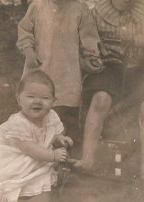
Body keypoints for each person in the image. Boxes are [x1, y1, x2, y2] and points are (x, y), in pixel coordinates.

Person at [74, 0, 144, 191]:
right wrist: (92, 57)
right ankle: (88, 159)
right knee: (101, 98)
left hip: (139, 70)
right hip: (108, 67)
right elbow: (84, 47)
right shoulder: (96, 15)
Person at [0, 70, 73, 202]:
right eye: (30, 97)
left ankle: (33, 198)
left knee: (41, 168)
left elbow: (52, 134)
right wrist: (52, 155)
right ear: (19, 100)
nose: (37, 102)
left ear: (53, 101)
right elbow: (29, 148)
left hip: (33, 154)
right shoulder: (18, 123)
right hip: (10, 157)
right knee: (31, 171)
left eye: (45, 98)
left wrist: (59, 139)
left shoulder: (51, 116)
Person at [16, 0, 103, 141]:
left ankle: (63, 154)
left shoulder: (79, 9)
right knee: (36, 110)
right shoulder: (37, 6)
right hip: (40, 67)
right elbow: (25, 30)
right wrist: (28, 51)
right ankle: (36, 151)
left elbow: (89, 38)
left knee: (66, 114)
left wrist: (91, 57)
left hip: (67, 72)